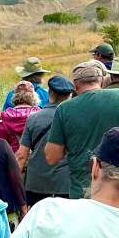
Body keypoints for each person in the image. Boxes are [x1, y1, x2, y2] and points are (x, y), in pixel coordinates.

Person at [42, 62, 119, 200]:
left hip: (83, 188)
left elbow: (51, 157)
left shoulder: (64, 109)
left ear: (75, 85)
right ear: (102, 81)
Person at [17, 74, 72, 206]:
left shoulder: (33, 118)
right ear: (70, 95)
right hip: (64, 183)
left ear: (49, 93)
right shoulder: (74, 118)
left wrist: (16, 186)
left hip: (36, 183)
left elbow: (21, 156)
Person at [0, 81, 41, 153]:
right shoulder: (39, 113)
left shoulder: (5, 115)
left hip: (14, 158)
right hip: (35, 158)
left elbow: (2, 144)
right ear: (34, 96)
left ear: (15, 96)